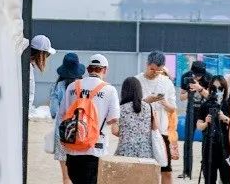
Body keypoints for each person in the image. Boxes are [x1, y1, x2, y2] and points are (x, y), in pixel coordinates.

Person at [60, 54, 120, 184]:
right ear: (104, 70)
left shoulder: (72, 87)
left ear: (87, 69)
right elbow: (112, 120)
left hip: (72, 148)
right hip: (95, 148)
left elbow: (62, 114)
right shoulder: (109, 90)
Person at [136, 51, 178, 184]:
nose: (154, 72)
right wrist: (147, 101)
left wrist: (164, 103)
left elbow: (173, 108)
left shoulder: (166, 82)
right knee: (144, 170)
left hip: (162, 132)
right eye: (152, 69)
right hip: (142, 132)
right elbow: (130, 107)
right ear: (147, 64)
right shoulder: (136, 81)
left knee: (166, 170)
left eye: (158, 71)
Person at [50, 53, 86, 184]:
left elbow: (54, 112)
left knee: (66, 177)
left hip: (62, 132)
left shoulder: (57, 87)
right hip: (81, 131)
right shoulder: (84, 87)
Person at [196, 74, 230, 184]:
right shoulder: (205, 105)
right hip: (208, 146)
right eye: (213, 88)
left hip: (227, 147)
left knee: (228, 178)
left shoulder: (229, 104)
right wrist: (206, 123)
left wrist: (225, 118)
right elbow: (199, 126)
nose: (217, 91)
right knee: (209, 178)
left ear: (225, 89)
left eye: (220, 88)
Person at [114, 76, 155, 160]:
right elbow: (155, 126)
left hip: (125, 152)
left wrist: (126, 134)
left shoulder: (120, 108)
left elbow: (114, 131)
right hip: (145, 153)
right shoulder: (149, 107)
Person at [29, 34, 55, 113]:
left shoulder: (28, 65)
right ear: (41, 54)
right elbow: (29, 94)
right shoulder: (28, 68)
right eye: (47, 54)